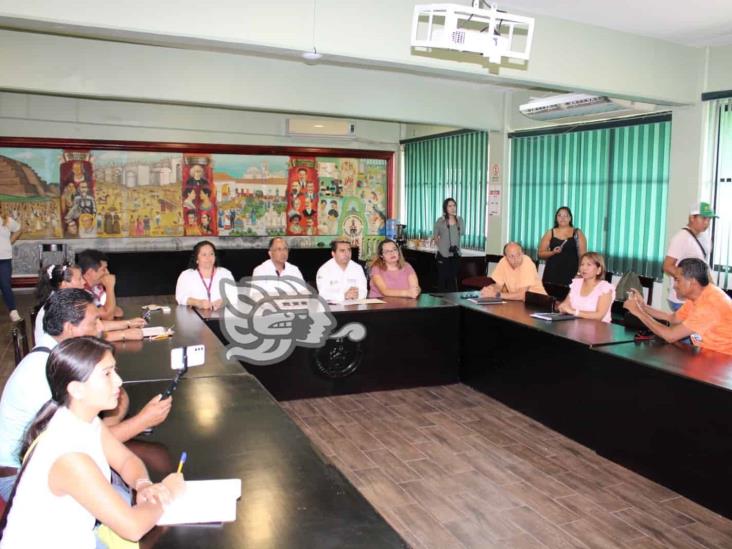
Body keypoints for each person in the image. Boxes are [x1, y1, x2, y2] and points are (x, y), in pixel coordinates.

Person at [0, 336, 184, 547]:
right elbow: (132, 527)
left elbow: (126, 460)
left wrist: (143, 484)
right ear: (76, 389)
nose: (119, 381)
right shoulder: (68, 456)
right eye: (107, 374)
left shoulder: (83, 419)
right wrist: (168, 491)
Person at [0, 290, 172, 501]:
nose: (101, 328)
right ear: (70, 328)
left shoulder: (59, 356)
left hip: (58, 462)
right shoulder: (48, 372)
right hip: (20, 479)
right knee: (126, 499)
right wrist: (142, 421)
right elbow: (83, 446)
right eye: (95, 322)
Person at [624, 258, 732, 355]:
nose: (674, 286)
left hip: (721, 361)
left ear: (692, 281)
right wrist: (642, 306)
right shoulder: (701, 293)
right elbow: (672, 318)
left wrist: (638, 312)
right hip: (706, 353)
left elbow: (670, 336)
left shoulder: (710, 305)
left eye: (677, 280)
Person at [34, 263, 145, 344]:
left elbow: (93, 324)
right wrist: (123, 334)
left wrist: (127, 323)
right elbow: (83, 338)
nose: (83, 282)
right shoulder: (59, 308)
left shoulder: (68, 300)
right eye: (79, 279)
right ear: (64, 284)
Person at [663, 202, 717, 312]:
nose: (707, 223)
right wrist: (690, 281)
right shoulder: (681, 238)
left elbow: (703, 265)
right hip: (683, 301)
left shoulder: (705, 237)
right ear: (692, 218)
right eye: (704, 218)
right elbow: (667, 266)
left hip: (698, 298)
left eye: (709, 219)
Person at [556, 252, 615, 322]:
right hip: (575, 325)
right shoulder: (576, 283)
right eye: (582, 264)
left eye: (589, 265)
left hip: (598, 329)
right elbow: (566, 304)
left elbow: (599, 316)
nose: (584, 268)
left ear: (599, 270)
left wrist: (574, 312)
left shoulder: (605, 288)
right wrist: (562, 306)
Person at [175, 240, 234, 310]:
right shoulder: (186, 275)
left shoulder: (225, 273)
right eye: (204, 255)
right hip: (194, 318)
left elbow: (234, 296)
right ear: (196, 259)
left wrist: (223, 302)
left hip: (222, 317)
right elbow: (180, 297)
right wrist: (198, 302)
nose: (208, 258)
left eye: (211, 254)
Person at [479, 241, 546, 301]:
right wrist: (489, 289)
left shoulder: (527, 262)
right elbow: (498, 286)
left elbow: (522, 294)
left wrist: (496, 295)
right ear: (505, 257)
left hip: (538, 302)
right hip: (518, 302)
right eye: (511, 256)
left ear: (522, 253)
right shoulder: (503, 262)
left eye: (518, 254)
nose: (516, 259)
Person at [538, 206, 587, 286]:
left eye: (565, 215)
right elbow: (540, 254)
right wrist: (553, 252)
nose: (562, 218)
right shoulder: (550, 232)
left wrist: (579, 273)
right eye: (559, 215)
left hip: (571, 273)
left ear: (570, 218)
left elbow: (583, 257)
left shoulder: (577, 233)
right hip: (551, 273)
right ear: (556, 218)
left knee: (569, 297)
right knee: (550, 297)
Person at [77, 249, 122, 320]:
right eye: (103, 269)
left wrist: (107, 311)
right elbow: (108, 317)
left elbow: (118, 312)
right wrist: (109, 287)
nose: (107, 273)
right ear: (90, 272)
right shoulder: (80, 292)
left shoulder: (96, 287)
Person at [433, 198, 465, 292]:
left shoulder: (460, 220)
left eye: (454, 205)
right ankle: (440, 305)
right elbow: (435, 236)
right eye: (449, 206)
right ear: (445, 208)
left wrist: (457, 220)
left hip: (455, 255)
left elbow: (462, 232)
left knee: (452, 281)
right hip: (443, 255)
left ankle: (453, 304)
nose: (452, 208)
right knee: (442, 281)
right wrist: (441, 248)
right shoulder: (440, 221)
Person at [0, 214, 22, 322]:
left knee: (5, 285)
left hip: (4, 258)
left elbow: (19, 229)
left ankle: (13, 311)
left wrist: (10, 241)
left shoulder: (6, 220)